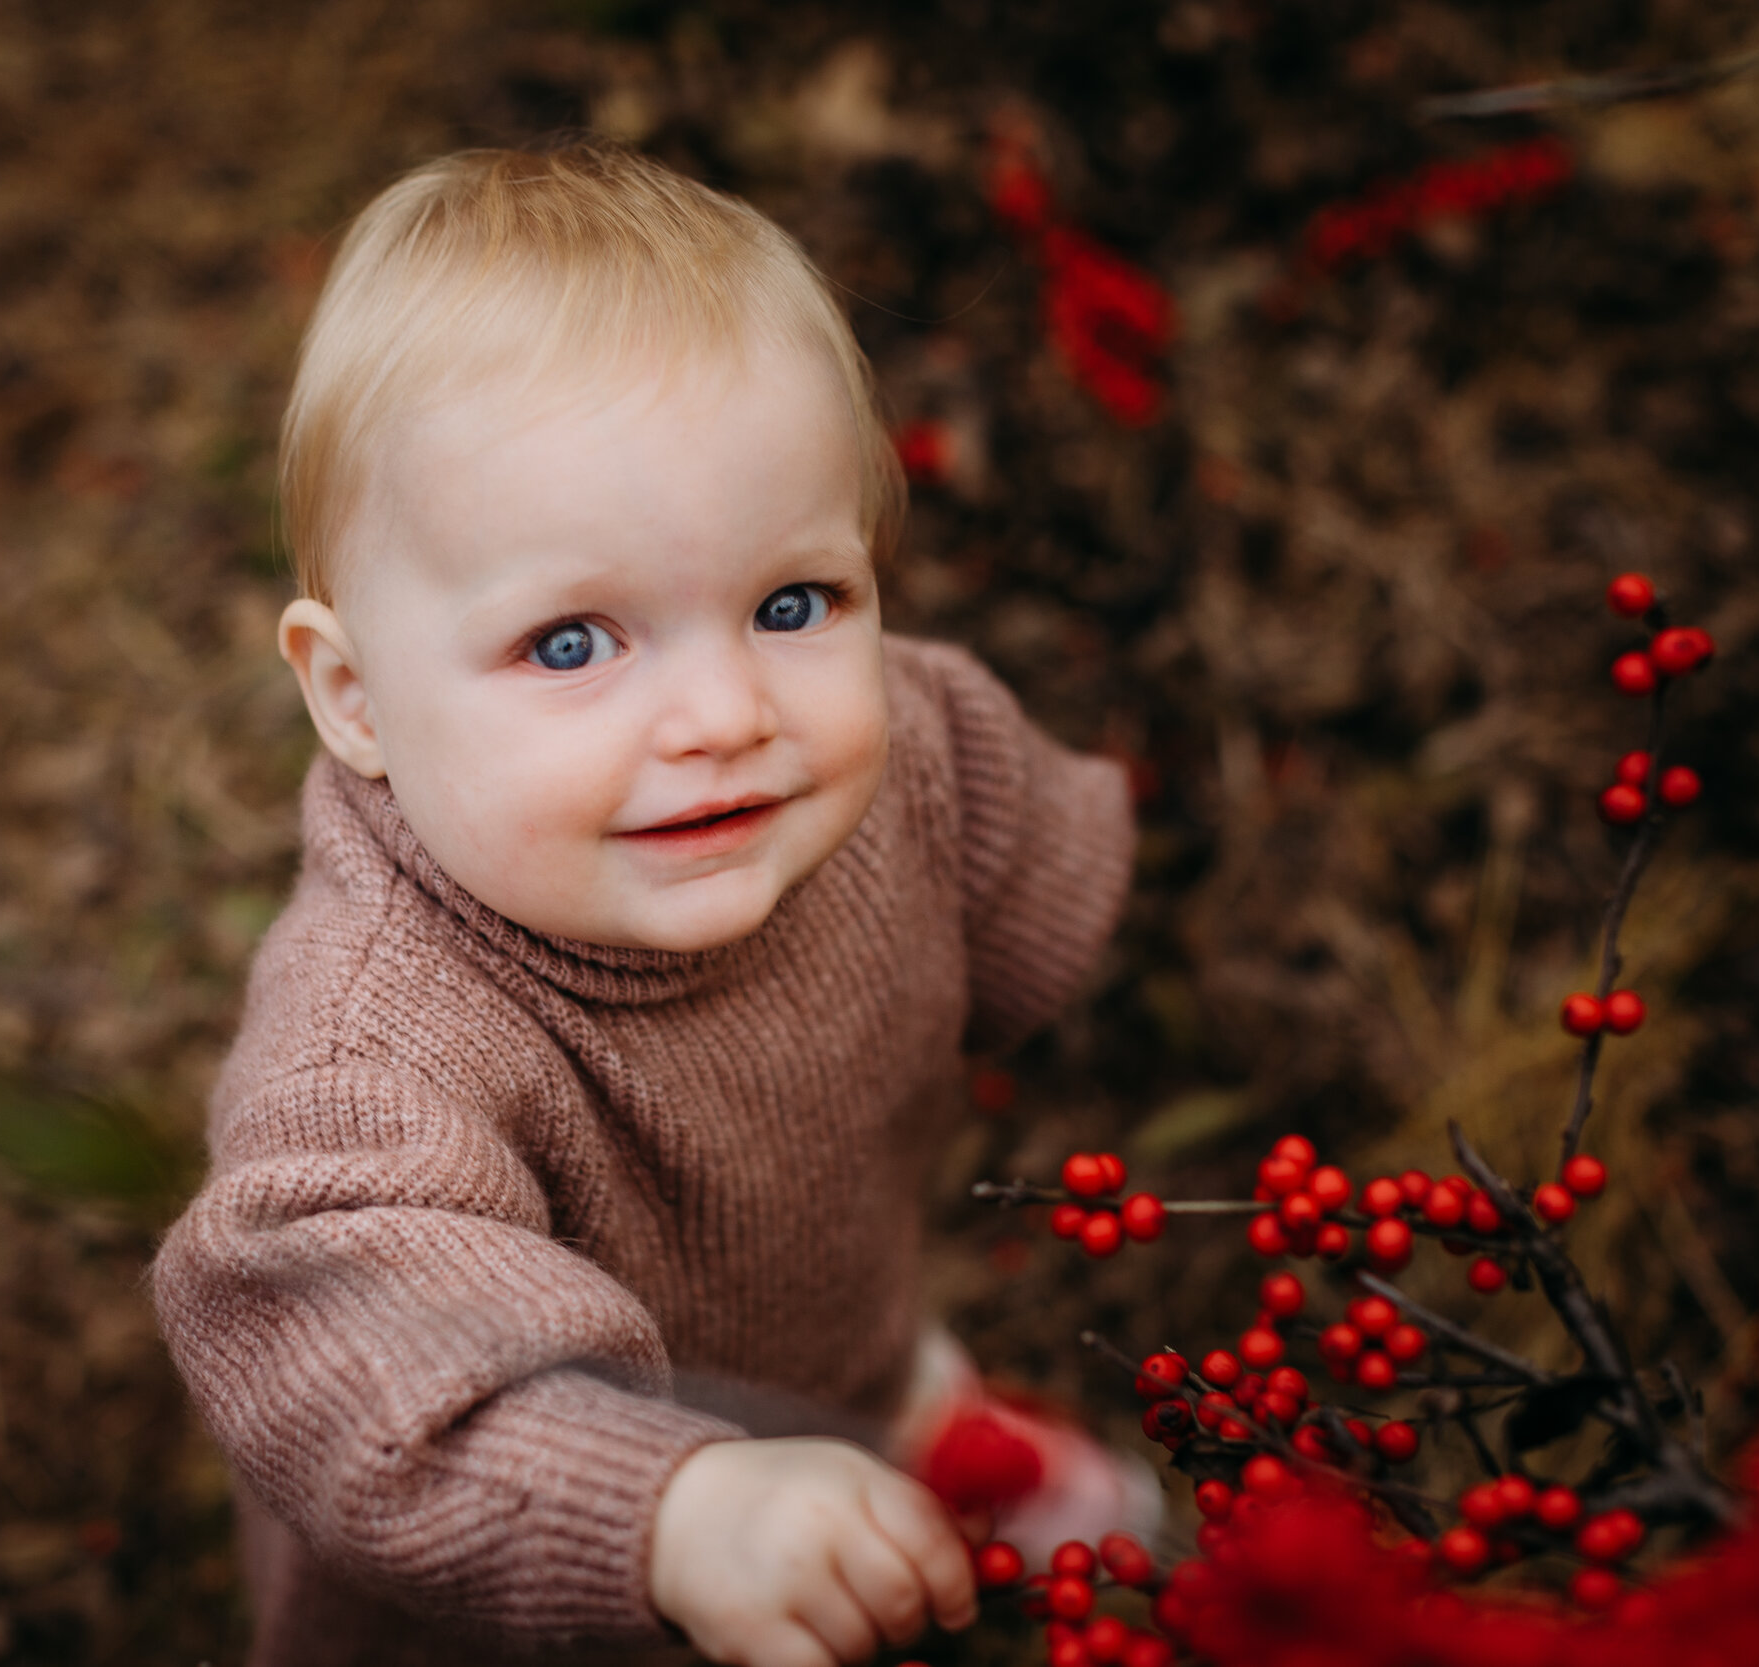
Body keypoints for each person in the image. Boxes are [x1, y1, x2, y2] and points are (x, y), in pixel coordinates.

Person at [151, 141, 1145, 1667]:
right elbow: (339, 1349)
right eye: (571, 646)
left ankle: (904, 1432)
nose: (726, 712)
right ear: (354, 699)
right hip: (513, 1562)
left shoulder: (910, 750)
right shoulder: (374, 1056)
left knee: (852, 1384)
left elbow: (1020, 849)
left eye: (792, 604)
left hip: (836, 1325)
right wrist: (666, 1510)